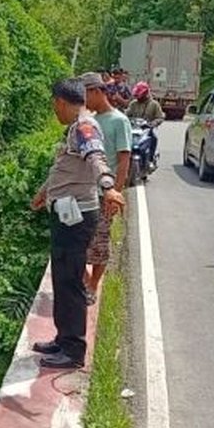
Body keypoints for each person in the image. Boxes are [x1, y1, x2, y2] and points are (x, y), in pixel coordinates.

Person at [30, 79, 125, 370]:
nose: (54, 111)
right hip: (66, 214)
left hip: (77, 218)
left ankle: (73, 351)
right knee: (63, 278)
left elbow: (96, 157)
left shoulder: (85, 127)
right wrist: (46, 190)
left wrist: (108, 186)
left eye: (53, 105)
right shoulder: (76, 127)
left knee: (70, 282)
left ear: (59, 102)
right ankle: (63, 337)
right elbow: (67, 167)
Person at [80, 72, 132, 304]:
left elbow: (123, 160)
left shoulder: (119, 121)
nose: (84, 101)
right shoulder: (89, 120)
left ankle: (92, 285)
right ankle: (84, 280)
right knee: (78, 241)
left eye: (85, 95)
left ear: (96, 92)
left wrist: (115, 193)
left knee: (99, 242)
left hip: (104, 193)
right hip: (83, 192)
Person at [125, 81, 165, 169]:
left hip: (146, 130)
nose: (138, 97)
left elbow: (160, 117)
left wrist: (153, 123)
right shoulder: (133, 104)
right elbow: (127, 114)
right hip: (134, 129)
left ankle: (150, 159)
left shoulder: (154, 104)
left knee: (154, 138)